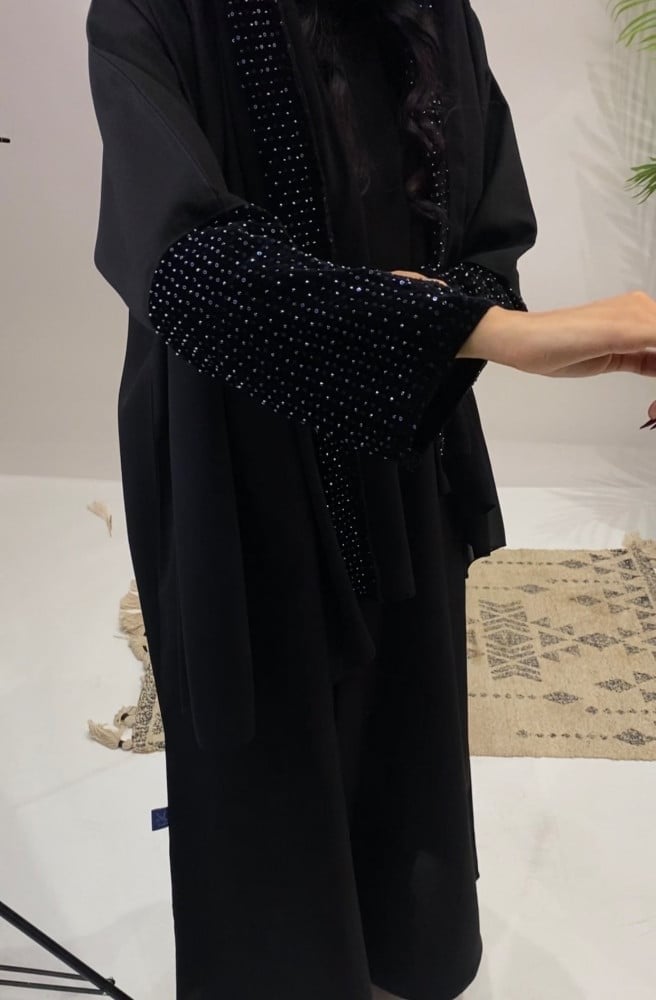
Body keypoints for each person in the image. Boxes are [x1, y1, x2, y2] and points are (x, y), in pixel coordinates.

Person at [85, 1, 656, 997]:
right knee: (265, 727)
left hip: (401, 424)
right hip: (229, 436)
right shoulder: (156, 11)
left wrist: (457, 322)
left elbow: (482, 219)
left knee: (406, 692)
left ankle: (401, 941)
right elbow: (184, 263)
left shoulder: (432, 11)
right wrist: (492, 333)